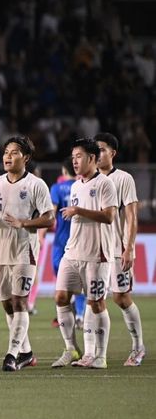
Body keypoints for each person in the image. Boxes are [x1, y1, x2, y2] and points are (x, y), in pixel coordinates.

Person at [0, 136, 54, 371]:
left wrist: (24, 223)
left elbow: (49, 218)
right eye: (6, 152)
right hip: (1, 248)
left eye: (14, 152)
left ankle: (12, 354)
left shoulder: (36, 185)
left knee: (20, 301)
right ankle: (27, 353)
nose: (8, 156)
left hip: (24, 249)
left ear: (26, 158)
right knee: (7, 304)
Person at [52, 138, 117, 369]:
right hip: (73, 251)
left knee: (96, 303)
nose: (75, 161)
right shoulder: (76, 185)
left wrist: (79, 210)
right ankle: (72, 349)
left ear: (92, 158)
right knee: (60, 296)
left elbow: (109, 216)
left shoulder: (105, 184)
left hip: (96, 254)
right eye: (73, 157)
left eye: (79, 156)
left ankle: (99, 355)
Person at [92, 132, 145, 366]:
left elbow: (132, 215)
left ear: (113, 153)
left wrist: (129, 247)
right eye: (95, 150)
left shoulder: (123, 179)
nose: (97, 154)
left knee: (121, 297)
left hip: (115, 248)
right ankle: (92, 353)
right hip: (93, 249)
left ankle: (138, 347)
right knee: (94, 299)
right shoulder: (87, 179)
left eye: (102, 149)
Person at [49, 158, 86, 328]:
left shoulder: (56, 188)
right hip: (79, 240)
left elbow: (51, 215)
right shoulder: (83, 186)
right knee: (79, 280)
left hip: (60, 241)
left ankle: (67, 313)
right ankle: (79, 315)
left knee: (62, 280)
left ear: (64, 171)